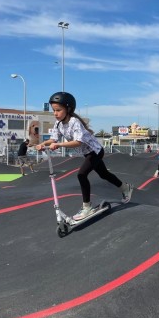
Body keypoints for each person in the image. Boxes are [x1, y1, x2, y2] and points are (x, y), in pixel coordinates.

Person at [36, 92, 133, 221]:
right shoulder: (58, 124)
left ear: (68, 109)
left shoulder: (74, 122)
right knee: (104, 174)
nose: (55, 113)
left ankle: (87, 207)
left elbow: (78, 142)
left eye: (58, 110)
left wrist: (59, 144)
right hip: (88, 153)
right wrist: (43, 144)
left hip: (95, 151)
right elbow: (53, 138)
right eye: (54, 110)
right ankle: (125, 188)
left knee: (81, 174)